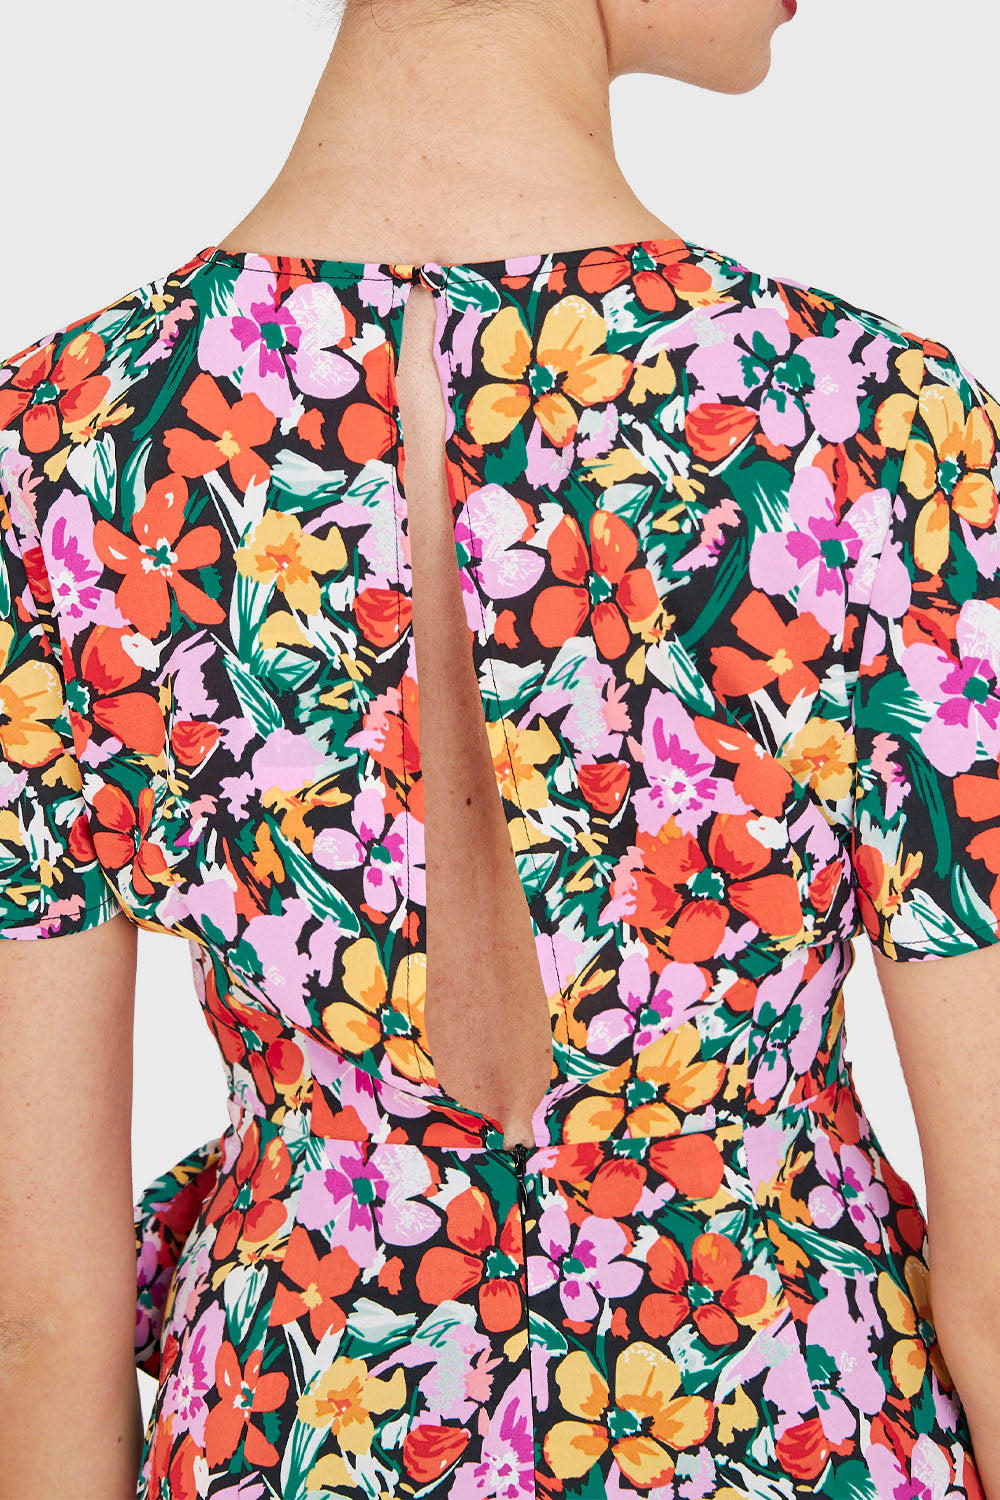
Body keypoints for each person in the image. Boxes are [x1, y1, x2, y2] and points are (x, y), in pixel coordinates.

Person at [1, 0, 998, 1495]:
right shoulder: (872, 425)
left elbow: (39, 1318)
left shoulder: (62, 447)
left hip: (297, 1438)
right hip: (791, 1433)